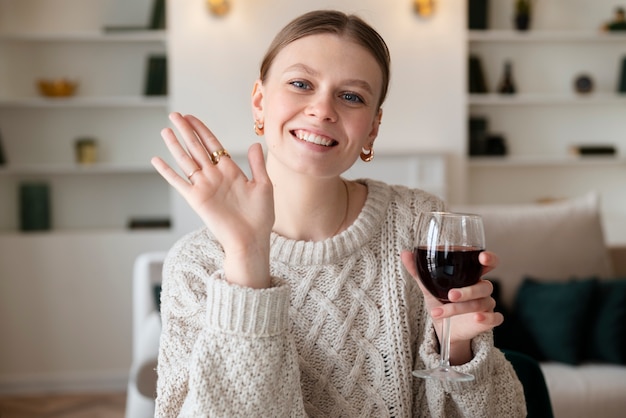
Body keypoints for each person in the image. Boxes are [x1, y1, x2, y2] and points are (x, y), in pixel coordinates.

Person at [151, 9, 527, 417]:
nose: (322, 109)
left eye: (351, 96)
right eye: (300, 84)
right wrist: (246, 256)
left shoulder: (419, 221)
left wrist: (457, 349)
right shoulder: (196, 266)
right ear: (260, 102)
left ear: (372, 128)